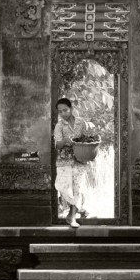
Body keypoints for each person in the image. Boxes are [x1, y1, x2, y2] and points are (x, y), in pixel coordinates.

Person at [53, 97, 94, 228]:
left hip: (80, 159)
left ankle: (72, 217)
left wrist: (88, 143)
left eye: (65, 110)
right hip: (64, 161)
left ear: (71, 109)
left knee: (77, 188)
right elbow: (58, 145)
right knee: (62, 187)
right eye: (60, 112)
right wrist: (66, 140)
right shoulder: (59, 126)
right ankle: (80, 208)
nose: (63, 113)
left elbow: (87, 139)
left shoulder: (81, 123)